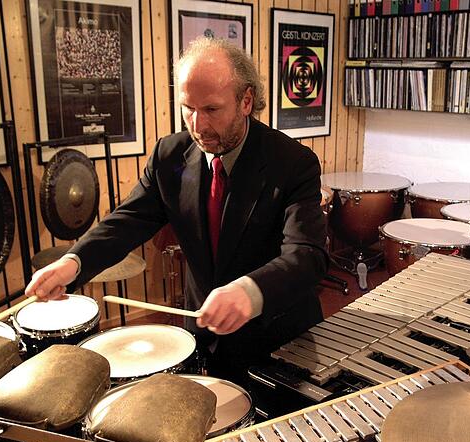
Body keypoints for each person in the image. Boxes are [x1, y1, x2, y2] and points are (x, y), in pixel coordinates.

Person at [25, 36, 328, 385]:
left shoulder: (292, 163)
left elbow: (307, 256)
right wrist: (73, 263)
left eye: (212, 109)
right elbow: (128, 220)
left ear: (246, 101)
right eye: (188, 108)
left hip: (279, 340)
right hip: (206, 333)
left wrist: (250, 291)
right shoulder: (169, 155)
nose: (197, 125)